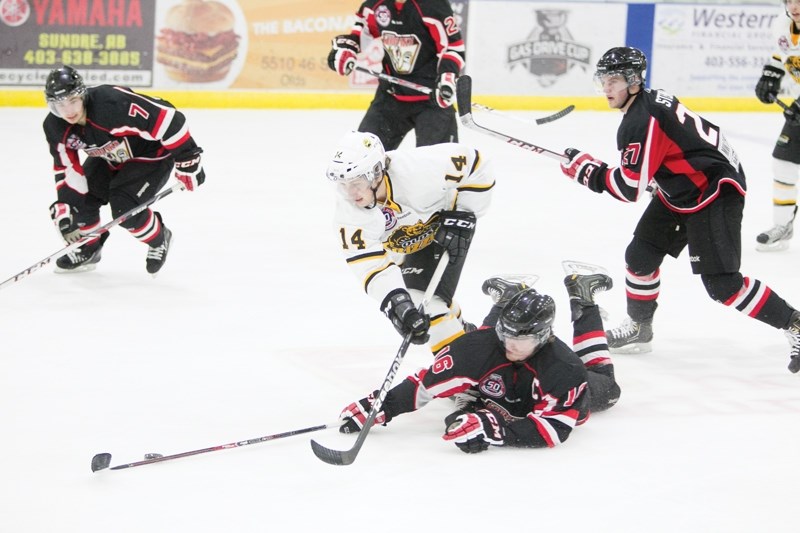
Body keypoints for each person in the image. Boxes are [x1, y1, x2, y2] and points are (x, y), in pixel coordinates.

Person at [558, 47, 800, 373]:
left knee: (723, 285)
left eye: (613, 81)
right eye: (603, 80)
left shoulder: (640, 121)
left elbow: (629, 188)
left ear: (632, 82)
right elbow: (681, 146)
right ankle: (640, 329)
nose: (606, 89)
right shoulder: (652, 101)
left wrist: (587, 171)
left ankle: (795, 324)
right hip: (682, 188)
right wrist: (664, 176)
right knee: (639, 258)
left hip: (714, 193)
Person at [337, 272, 621, 453]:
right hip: (496, 383)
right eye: (505, 333)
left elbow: (553, 429)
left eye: (520, 340)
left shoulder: (565, 370)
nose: (510, 344)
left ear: (543, 336)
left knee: (608, 386)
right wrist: (380, 405)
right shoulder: (481, 345)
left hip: (540, 395)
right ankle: (508, 298)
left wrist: (496, 430)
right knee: (482, 345)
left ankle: (584, 299)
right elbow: (425, 386)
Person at [326, 130, 494, 353]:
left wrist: (464, 215)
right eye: (343, 184)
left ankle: (464, 367)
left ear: (377, 172)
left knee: (424, 299)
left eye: (356, 182)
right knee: (415, 301)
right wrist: (397, 304)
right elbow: (368, 264)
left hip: (445, 231)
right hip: (407, 247)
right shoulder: (349, 212)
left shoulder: (418, 169)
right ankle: (467, 336)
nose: (350, 193)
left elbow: (477, 164)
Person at [43, 65, 206, 276]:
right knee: (81, 203)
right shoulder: (55, 126)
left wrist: (188, 158)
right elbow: (67, 168)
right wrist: (67, 206)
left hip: (150, 153)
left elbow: (169, 120)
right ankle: (89, 247)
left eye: (73, 101)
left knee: (125, 209)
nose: (68, 111)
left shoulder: (110, 103)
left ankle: (159, 238)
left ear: (83, 95)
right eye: (59, 105)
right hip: (109, 157)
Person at [327, 0, 465, 150]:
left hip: (433, 100)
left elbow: (452, 47)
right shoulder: (374, 5)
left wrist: (447, 77)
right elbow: (361, 35)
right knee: (361, 156)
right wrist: (348, 49)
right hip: (390, 98)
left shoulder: (433, 5)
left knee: (438, 166)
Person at [753, 0, 800, 251]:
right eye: (789, 0)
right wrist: (771, 74)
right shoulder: (782, 25)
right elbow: (782, 54)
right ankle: (783, 226)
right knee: (783, 163)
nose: (794, 6)